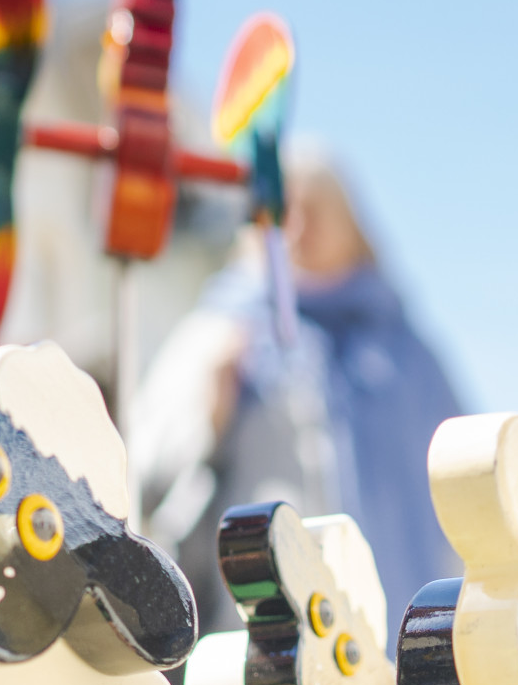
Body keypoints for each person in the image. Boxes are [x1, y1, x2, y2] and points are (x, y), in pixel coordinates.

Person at [134, 145, 465, 631]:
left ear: (355, 226)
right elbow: (143, 475)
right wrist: (210, 418)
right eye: (283, 212)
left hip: (400, 638)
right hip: (268, 633)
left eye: (317, 210)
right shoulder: (221, 332)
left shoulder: (406, 353)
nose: (299, 228)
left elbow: (461, 486)